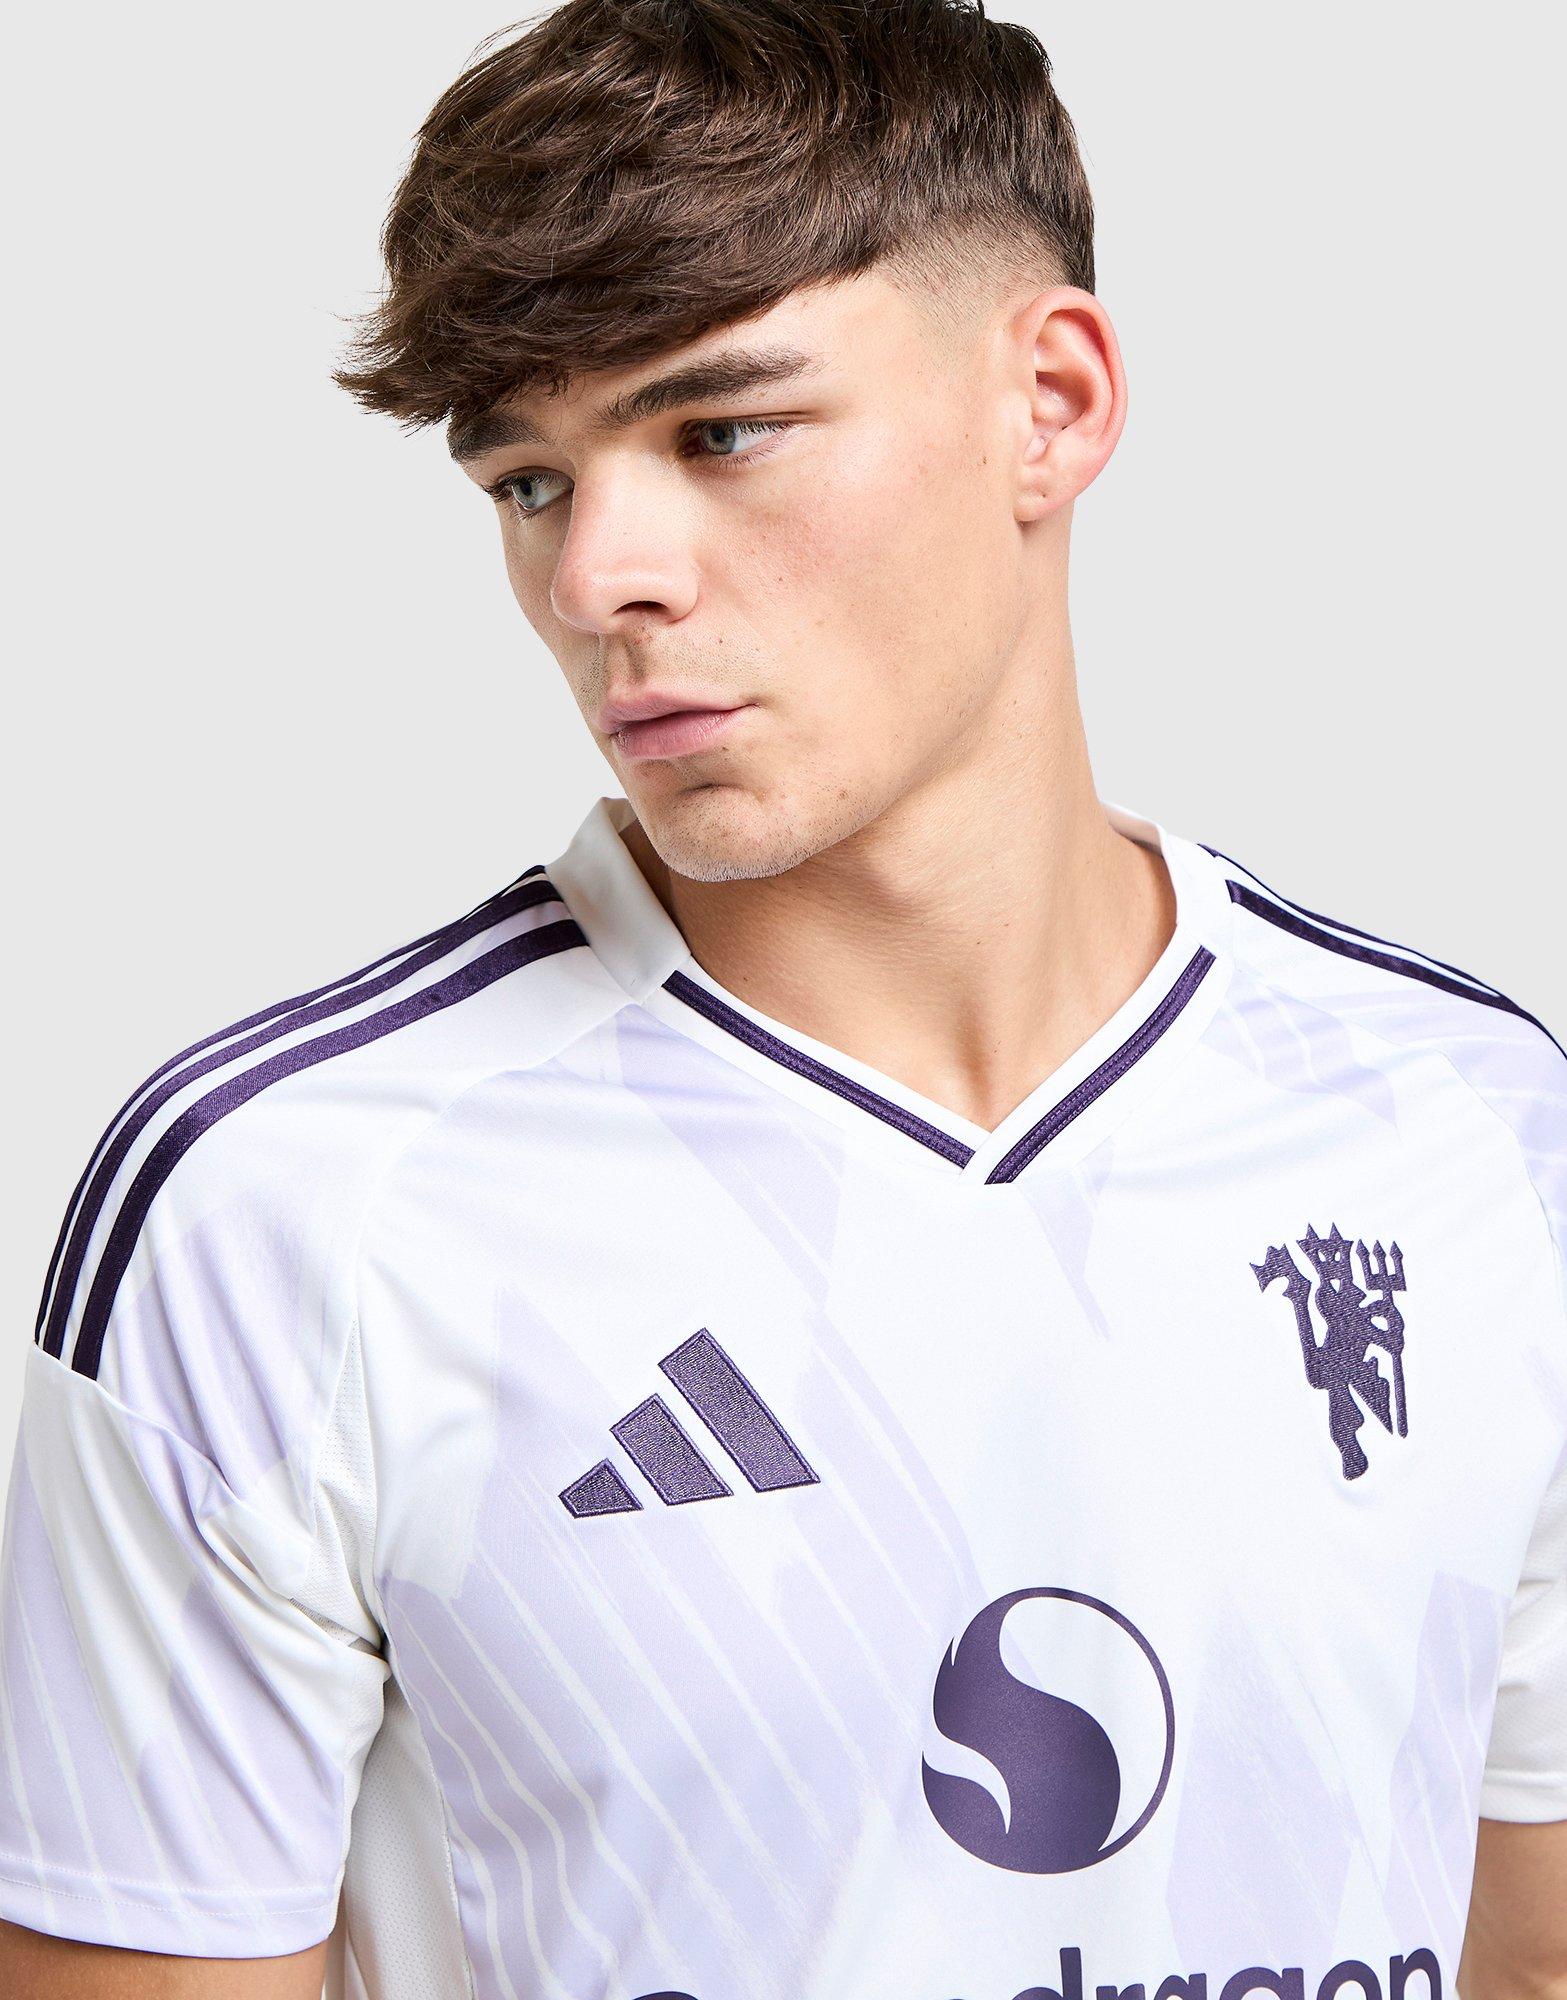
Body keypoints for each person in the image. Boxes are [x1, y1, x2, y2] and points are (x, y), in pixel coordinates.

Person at [1, 1, 1563, 1994]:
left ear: (1051, 403)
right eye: (528, 483)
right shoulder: (283, 1207)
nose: (597, 580)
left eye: (718, 432)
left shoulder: (1475, 1130)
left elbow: (1527, 1955)